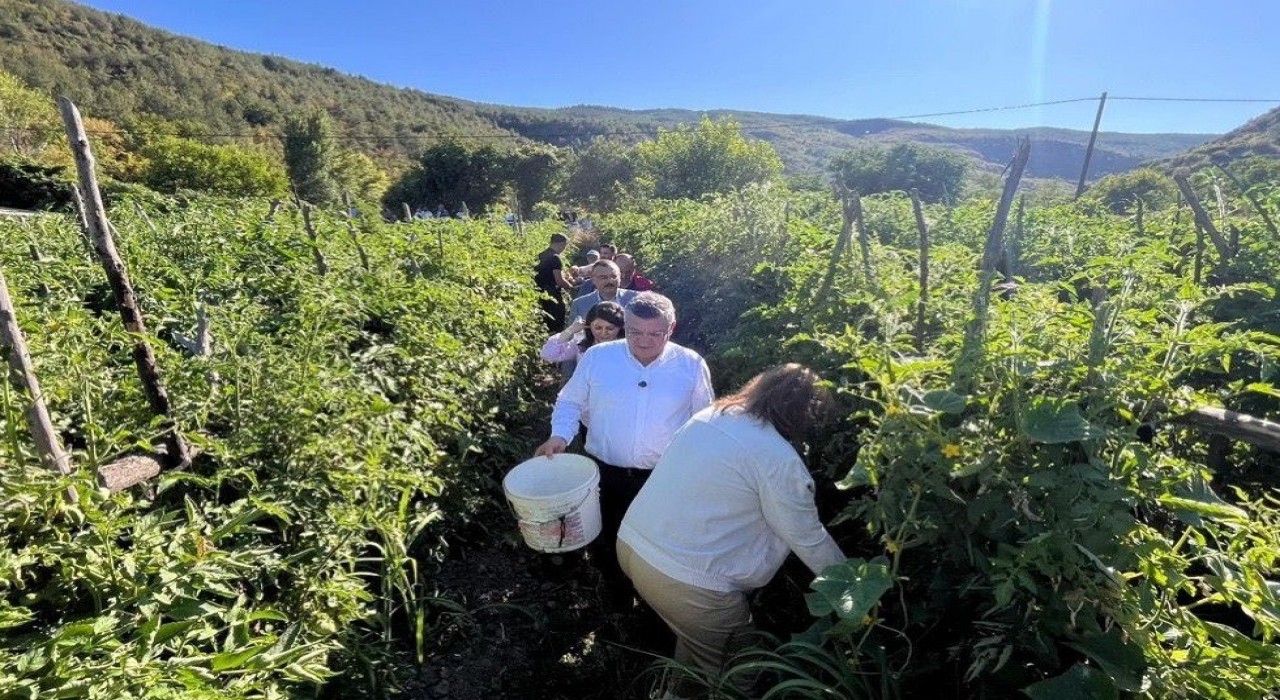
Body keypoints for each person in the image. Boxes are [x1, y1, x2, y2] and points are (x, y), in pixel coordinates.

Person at [617, 364, 847, 682]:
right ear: (802, 413)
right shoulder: (778, 460)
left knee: (698, 643)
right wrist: (854, 590)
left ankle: (676, 692)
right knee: (740, 675)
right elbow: (809, 539)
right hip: (685, 581)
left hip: (636, 546)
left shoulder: (714, 416)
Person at [534, 292, 714, 600]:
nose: (644, 341)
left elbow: (703, 421)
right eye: (635, 332)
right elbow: (571, 401)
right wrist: (560, 436)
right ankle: (617, 594)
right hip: (607, 472)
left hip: (663, 477)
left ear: (671, 329)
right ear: (625, 326)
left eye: (655, 333)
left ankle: (651, 597)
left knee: (656, 540)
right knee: (608, 535)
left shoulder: (690, 365)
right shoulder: (599, 357)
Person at [538, 301, 625, 364]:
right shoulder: (581, 345)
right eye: (598, 328)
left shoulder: (628, 346)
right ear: (589, 326)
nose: (603, 333)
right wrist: (570, 330)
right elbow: (547, 354)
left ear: (620, 327)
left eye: (610, 328)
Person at [533, 233, 577, 334]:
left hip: (539, 293)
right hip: (552, 295)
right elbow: (559, 280)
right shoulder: (555, 258)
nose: (564, 249)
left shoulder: (539, 256)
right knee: (557, 323)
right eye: (565, 246)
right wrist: (572, 287)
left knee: (546, 322)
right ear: (561, 244)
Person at [569, 260, 637, 323]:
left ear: (620, 278)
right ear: (593, 280)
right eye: (603, 277)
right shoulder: (579, 304)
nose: (610, 281)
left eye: (614, 276)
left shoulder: (635, 299)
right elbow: (572, 334)